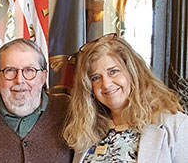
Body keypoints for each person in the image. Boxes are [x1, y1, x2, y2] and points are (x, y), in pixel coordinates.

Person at [63, 34, 188, 162]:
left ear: (133, 72)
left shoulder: (175, 125)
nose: (106, 84)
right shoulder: (88, 131)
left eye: (113, 72)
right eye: (96, 78)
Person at [0, 38, 73, 163]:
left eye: (29, 70)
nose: (19, 80)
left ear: (43, 77)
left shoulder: (67, 111)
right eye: (10, 71)